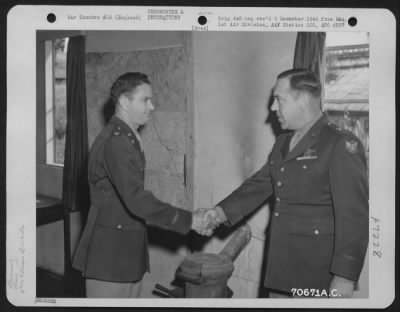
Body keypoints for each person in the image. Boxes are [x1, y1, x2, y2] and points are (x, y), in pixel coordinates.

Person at [203, 68, 369, 298]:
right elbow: (260, 184)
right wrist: (219, 212)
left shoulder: (340, 143)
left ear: (302, 99)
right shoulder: (283, 142)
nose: (272, 107)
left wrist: (345, 277)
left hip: (318, 274)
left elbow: (354, 217)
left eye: (279, 99)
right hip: (282, 268)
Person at [72, 72, 210, 298]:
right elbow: (136, 199)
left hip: (125, 251)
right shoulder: (117, 141)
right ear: (125, 102)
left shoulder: (127, 136)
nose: (152, 106)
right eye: (145, 100)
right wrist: (190, 220)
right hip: (110, 256)